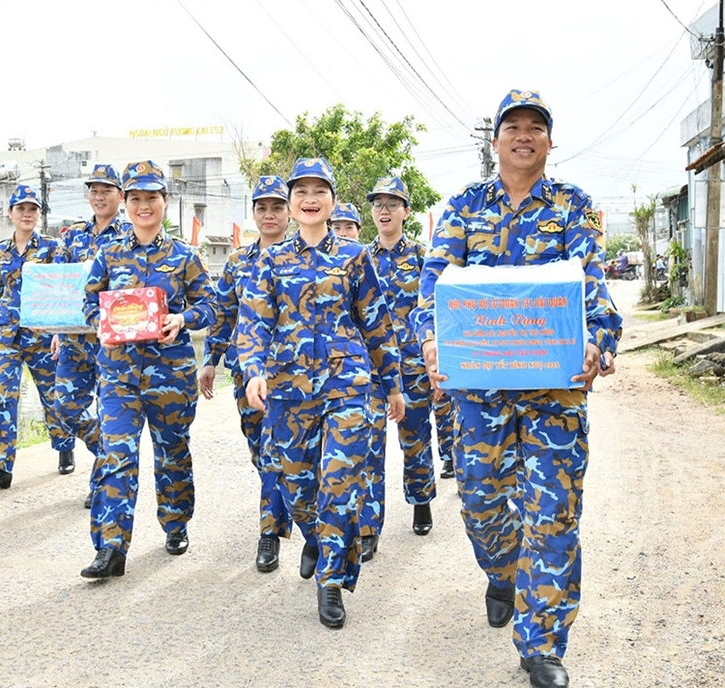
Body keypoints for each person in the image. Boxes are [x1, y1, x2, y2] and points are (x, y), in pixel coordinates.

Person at [413, 90, 622, 688]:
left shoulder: (573, 207)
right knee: (480, 504)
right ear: (496, 140)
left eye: (536, 127)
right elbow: (433, 286)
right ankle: (504, 570)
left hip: (554, 395)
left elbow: (592, 288)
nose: (524, 135)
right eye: (513, 127)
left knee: (553, 516)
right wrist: (431, 342)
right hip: (479, 395)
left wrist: (596, 343)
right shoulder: (463, 208)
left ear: (550, 142)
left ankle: (542, 645)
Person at [236, 157, 405, 630]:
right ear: (292, 204)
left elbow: (375, 322)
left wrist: (392, 385)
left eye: (319, 191)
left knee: (339, 482)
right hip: (288, 390)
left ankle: (331, 580)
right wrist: (252, 371)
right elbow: (253, 322)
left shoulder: (353, 256)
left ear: (331, 200)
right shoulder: (270, 259)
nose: (310, 199)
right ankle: (313, 536)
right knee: (296, 487)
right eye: (301, 192)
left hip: (348, 385)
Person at [80, 160, 216, 579]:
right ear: (126, 203)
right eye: (135, 198)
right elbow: (88, 304)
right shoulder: (109, 254)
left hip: (170, 376)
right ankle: (111, 548)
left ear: (164, 201)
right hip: (119, 376)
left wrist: (182, 320)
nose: (143, 205)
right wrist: (101, 325)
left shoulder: (185, 257)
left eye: (151, 198)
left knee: (172, 454)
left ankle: (175, 524)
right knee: (116, 455)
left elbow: (209, 306)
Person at [200, 176, 294, 573]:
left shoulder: (302, 256)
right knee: (261, 451)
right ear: (253, 213)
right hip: (246, 374)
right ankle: (283, 505)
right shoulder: (239, 261)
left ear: (289, 211)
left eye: (277, 207)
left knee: (279, 454)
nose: (269, 215)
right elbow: (223, 313)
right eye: (262, 208)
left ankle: (270, 533)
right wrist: (211, 358)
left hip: (293, 376)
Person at [359, 176, 455, 562]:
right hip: (370, 369)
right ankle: (368, 526)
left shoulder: (422, 257)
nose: (384, 210)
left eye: (392, 203)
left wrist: (438, 364)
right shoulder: (360, 259)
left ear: (405, 211)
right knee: (367, 448)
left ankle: (421, 501)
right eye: (378, 203)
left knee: (415, 440)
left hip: (413, 366)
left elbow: (440, 311)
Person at [0, 185, 76, 494]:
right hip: (5, 335)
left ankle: (64, 446)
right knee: (2, 399)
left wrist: (60, 331)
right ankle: (0, 469)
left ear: (39, 215)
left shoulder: (53, 248)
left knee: (52, 395)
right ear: (11, 214)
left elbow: (63, 291)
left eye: (32, 209)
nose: (27, 214)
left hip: (42, 334)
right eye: (21, 209)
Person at [51, 164, 128, 507]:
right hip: (73, 337)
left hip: (111, 340)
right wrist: (58, 329)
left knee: (110, 412)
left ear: (120, 196)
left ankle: (101, 481)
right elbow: (64, 285)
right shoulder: (72, 236)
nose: (99, 197)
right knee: (64, 406)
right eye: (94, 190)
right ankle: (106, 453)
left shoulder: (128, 236)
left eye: (107, 191)